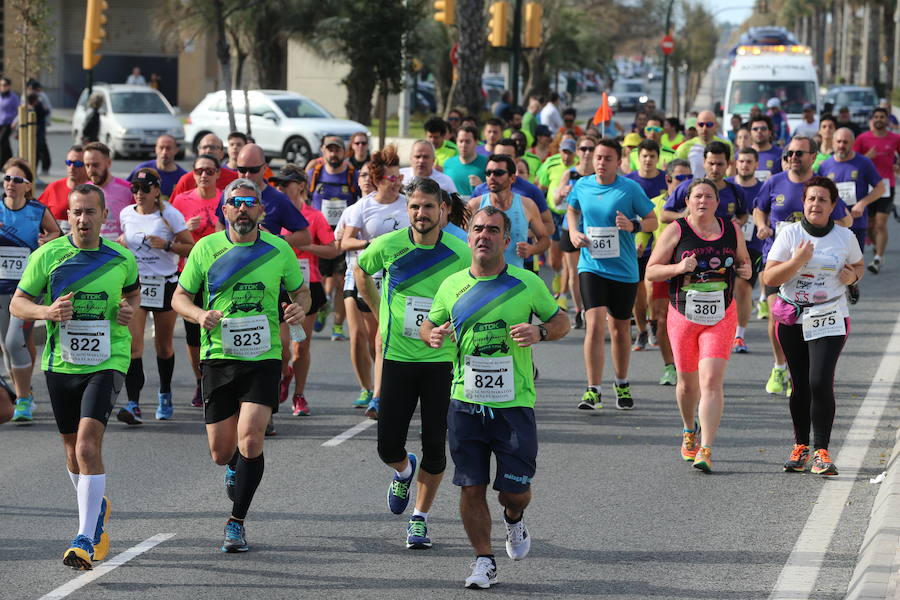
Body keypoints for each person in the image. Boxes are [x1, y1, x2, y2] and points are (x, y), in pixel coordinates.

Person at [421, 205, 570, 589]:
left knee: (513, 492)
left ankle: (514, 519)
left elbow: (561, 321)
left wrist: (540, 333)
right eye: (477, 229)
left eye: (492, 230)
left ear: (506, 239)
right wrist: (432, 335)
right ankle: (483, 560)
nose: (483, 236)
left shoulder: (526, 283)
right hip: (465, 401)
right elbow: (429, 324)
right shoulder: (452, 285)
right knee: (471, 485)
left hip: (514, 404)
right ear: (469, 236)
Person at [172, 177, 308, 552]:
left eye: (250, 202)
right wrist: (199, 315)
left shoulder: (278, 249)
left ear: (261, 210)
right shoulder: (206, 248)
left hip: (263, 356)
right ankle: (234, 463)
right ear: (225, 210)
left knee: (251, 437)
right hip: (218, 356)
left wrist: (300, 308)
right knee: (221, 452)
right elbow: (179, 297)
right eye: (236, 203)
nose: (243, 209)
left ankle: (236, 522)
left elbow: (301, 291)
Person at [11, 183, 140, 569]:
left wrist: (128, 310)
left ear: (105, 216)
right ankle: (95, 508)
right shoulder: (48, 255)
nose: (83, 219)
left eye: (90, 212)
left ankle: (85, 536)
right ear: (68, 216)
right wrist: (47, 312)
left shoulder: (121, 257)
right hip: (61, 363)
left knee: (86, 446)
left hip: (107, 360)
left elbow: (132, 295)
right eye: (77, 212)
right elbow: (19, 303)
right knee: (71, 450)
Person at [354, 177, 471, 549]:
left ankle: (419, 518)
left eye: (429, 206)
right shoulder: (388, 245)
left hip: (441, 362)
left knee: (436, 445)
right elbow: (361, 270)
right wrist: (379, 312)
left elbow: (475, 292)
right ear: (407, 210)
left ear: (443, 210)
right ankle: (404, 470)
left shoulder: (460, 253)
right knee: (387, 447)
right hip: (397, 358)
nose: (422, 213)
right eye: (415, 207)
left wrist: (460, 328)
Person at [646, 178, 752, 473]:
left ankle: (706, 448)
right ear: (688, 202)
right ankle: (688, 429)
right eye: (697, 197)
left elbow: (744, 262)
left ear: (718, 202)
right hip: (683, 315)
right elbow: (652, 271)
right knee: (687, 384)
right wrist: (679, 267)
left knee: (711, 381)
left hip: (721, 315)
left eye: (708, 196)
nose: (703, 201)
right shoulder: (676, 230)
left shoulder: (731, 229)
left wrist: (746, 269)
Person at [762, 176, 863, 476]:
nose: (815, 204)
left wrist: (853, 277)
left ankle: (821, 451)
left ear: (833, 205)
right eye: (811, 199)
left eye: (822, 199)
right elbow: (770, 278)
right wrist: (798, 260)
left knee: (819, 380)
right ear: (803, 203)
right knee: (801, 383)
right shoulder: (790, 234)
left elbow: (858, 266)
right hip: (793, 317)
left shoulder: (845, 237)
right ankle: (800, 446)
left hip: (830, 315)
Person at [753, 136, 852, 396]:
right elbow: (759, 209)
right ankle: (779, 367)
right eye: (790, 153)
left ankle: (802, 370)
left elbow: (846, 220)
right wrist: (762, 225)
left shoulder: (820, 187)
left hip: (816, 267)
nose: (793, 157)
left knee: (808, 317)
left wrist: (823, 233)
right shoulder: (774, 181)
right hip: (778, 261)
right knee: (777, 314)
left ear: (813, 156)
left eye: (799, 153)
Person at [567, 139, 657, 410]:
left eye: (608, 158)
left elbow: (653, 220)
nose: (601, 163)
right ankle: (593, 389)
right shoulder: (582, 185)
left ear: (619, 162)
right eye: (598, 157)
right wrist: (574, 232)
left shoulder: (629, 188)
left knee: (619, 330)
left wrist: (633, 225)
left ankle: (621, 382)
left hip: (623, 270)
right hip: (591, 266)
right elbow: (572, 209)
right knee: (594, 324)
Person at [116, 168, 194, 424]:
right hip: (135, 286)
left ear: (156, 190)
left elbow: (191, 247)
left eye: (145, 188)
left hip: (164, 284)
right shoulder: (126, 214)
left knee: (163, 346)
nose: (139, 193)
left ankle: (165, 393)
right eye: (135, 189)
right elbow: (125, 239)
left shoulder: (169, 214)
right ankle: (133, 404)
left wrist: (168, 245)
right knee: (134, 346)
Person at [340, 145, 409, 414]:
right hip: (368, 279)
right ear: (378, 180)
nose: (397, 182)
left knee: (382, 338)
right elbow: (345, 241)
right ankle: (372, 387)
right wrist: (371, 244)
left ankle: (380, 397)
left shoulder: (408, 204)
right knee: (369, 339)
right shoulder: (363, 207)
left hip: (399, 281)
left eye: (399, 177)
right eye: (392, 178)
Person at [271, 164, 337, 416]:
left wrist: (304, 246)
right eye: (277, 184)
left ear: (300, 186)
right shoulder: (270, 214)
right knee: (281, 345)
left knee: (301, 346)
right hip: (278, 287)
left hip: (307, 287)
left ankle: (299, 395)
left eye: (285, 184)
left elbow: (332, 250)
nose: (280, 188)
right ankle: (284, 372)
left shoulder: (314, 216)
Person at [2, 159, 62, 422]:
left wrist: (46, 239)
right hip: (1, 287)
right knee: (6, 344)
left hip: (27, 288)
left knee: (15, 341)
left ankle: (23, 399)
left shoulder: (37, 211)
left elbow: (56, 233)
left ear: (28, 186)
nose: (10, 183)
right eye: (7, 178)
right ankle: (21, 391)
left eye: (17, 180)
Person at [171, 154, 223, 407]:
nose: (204, 175)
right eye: (200, 170)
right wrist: (186, 230)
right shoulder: (181, 200)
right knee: (193, 336)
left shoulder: (225, 198)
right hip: (190, 274)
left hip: (220, 275)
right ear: (192, 174)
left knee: (219, 328)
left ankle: (219, 379)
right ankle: (200, 380)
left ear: (218, 174)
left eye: (210, 171)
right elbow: (170, 236)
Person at [639, 159, 692, 385]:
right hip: (663, 268)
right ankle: (670, 366)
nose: (686, 182)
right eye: (681, 178)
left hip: (690, 269)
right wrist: (639, 244)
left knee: (689, 321)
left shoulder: (697, 201)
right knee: (662, 318)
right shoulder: (654, 204)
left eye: (689, 177)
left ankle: (688, 364)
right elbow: (645, 231)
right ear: (668, 179)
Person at [819, 128, 884, 303]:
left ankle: (852, 283)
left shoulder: (863, 163)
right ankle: (833, 294)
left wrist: (862, 203)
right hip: (832, 223)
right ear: (833, 142)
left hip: (856, 223)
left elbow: (880, 188)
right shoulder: (825, 166)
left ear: (853, 143)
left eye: (845, 142)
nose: (841, 145)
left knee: (853, 261)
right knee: (832, 261)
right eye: (839, 141)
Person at [306, 135, 359, 342]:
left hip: (344, 236)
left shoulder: (352, 176)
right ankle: (323, 305)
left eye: (337, 150)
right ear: (323, 151)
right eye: (330, 149)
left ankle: (337, 326)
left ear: (344, 152)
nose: (333, 154)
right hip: (319, 236)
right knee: (320, 280)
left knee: (341, 281)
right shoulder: (314, 174)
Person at [466, 154, 548, 270]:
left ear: (512, 178)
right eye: (488, 173)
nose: (492, 177)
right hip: (482, 276)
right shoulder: (474, 205)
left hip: (515, 276)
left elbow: (545, 240)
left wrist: (532, 249)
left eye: (498, 173)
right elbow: (460, 239)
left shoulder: (527, 205)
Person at [625, 139, 669, 350]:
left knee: (652, 289)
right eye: (644, 156)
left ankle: (652, 322)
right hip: (636, 242)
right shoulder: (628, 181)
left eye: (652, 156)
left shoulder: (665, 179)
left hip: (659, 242)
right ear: (638, 157)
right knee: (637, 291)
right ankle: (642, 330)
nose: (648, 160)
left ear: (658, 158)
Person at [727, 147, 766, 352]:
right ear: (735, 163)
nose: (745, 165)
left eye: (749, 161)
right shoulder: (726, 186)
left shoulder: (764, 188)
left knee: (742, 287)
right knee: (726, 289)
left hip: (752, 245)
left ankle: (739, 335)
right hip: (724, 245)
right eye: (741, 161)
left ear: (756, 164)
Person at [555, 136, 596, 327]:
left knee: (593, 273)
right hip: (570, 228)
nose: (587, 153)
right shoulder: (570, 173)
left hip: (594, 230)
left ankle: (591, 309)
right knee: (574, 273)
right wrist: (561, 192)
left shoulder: (599, 173)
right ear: (577, 151)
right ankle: (579, 310)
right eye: (583, 149)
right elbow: (556, 201)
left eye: (591, 149)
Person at [853, 107, 900, 274]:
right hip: (867, 187)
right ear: (872, 120)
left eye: (882, 117)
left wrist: (898, 165)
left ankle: (878, 258)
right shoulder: (863, 138)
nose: (879, 119)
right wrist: (867, 157)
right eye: (877, 117)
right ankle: (877, 247)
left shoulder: (895, 138)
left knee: (881, 223)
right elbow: (853, 161)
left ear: (887, 120)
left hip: (887, 185)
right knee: (870, 225)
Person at [83, 142, 134, 241]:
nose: (91, 170)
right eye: (87, 165)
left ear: (109, 163)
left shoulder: (128, 189)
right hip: (92, 248)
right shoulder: (83, 191)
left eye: (95, 165)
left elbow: (140, 219)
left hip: (119, 248)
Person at [38, 145, 90, 231]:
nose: (72, 167)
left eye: (77, 164)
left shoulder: (94, 190)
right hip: (56, 238)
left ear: (87, 165)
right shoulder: (53, 187)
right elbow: (36, 214)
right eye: (69, 162)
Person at [171, 134, 237, 199]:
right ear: (199, 151)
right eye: (205, 147)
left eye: (213, 147)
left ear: (222, 154)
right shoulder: (186, 181)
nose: (208, 151)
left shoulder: (234, 179)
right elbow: (173, 205)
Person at [674, 110, 731, 177]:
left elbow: (731, 173)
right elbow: (676, 174)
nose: (704, 128)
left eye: (709, 124)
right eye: (701, 124)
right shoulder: (684, 147)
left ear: (716, 126)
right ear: (696, 126)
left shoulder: (726, 145)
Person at [443, 126, 488, 197]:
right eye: (461, 141)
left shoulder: (487, 163)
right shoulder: (448, 163)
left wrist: (481, 187)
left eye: (467, 142)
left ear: (476, 142)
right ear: (456, 141)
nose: (463, 145)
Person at [749, 115, 783, 181]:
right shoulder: (740, 155)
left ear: (770, 132)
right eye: (755, 129)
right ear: (750, 133)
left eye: (763, 129)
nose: (759, 131)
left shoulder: (781, 154)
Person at [26, 92, 51, 175]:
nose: (37, 101)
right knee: (34, 151)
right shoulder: (30, 108)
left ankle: (36, 169)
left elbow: (45, 112)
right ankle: (33, 169)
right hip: (32, 134)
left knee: (38, 151)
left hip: (39, 133)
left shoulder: (38, 106)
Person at [0, 78, 19, 166]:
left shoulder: (13, 97)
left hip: (9, 123)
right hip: (0, 122)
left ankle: (1, 164)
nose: (2, 87)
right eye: (0, 85)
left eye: (4, 85)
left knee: (1, 141)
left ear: (9, 86)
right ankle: (10, 162)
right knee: (5, 144)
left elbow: (19, 111)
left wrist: (15, 122)